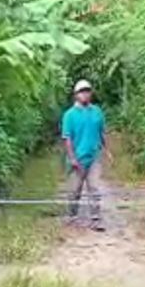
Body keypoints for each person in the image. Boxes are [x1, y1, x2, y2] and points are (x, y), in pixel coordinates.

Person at [61, 79, 110, 231]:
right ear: (76, 95)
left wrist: (107, 149)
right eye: (82, 91)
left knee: (94, 188)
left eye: (87, 91)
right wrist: (73, 158)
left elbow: (102, 132)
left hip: (93, 156)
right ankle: (71, 216)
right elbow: (67, 138)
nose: (85, 94)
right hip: (78, 158)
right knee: (74, 190)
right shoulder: (69, 115)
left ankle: (96, 219)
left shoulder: (97, 112)